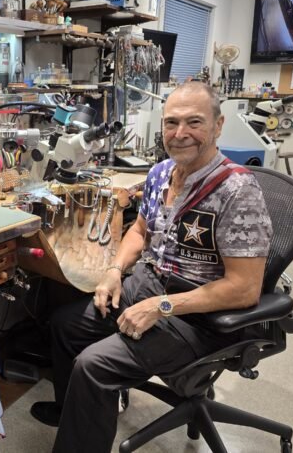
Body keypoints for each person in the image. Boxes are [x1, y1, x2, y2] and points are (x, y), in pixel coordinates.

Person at [30, 81, 273, 452]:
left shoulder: (238, 191)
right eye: (171, 123)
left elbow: (244, 288)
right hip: (148, 286)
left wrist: (162, 306)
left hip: (197, 316)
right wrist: (115, 271)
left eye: (194, 122)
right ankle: (74, 413)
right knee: (65, 325)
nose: (180, 133)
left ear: (218, 125)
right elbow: (140, 230)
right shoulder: (161, 173)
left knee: (94, 366)